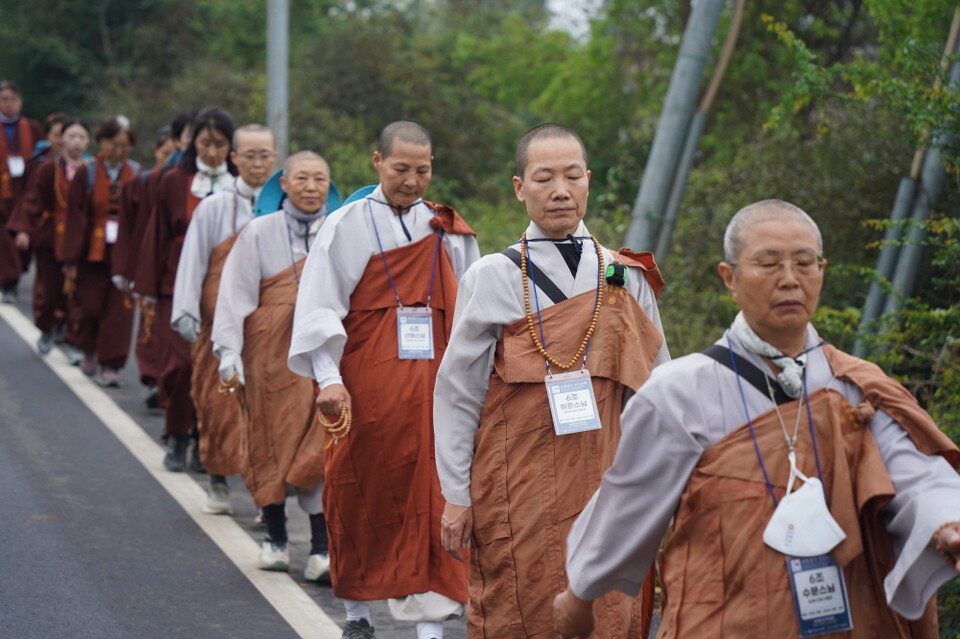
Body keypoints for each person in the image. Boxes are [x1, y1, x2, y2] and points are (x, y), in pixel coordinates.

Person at [554, 199, 960, 639]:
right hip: (728, 620)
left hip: (844, 616)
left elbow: (915, 471)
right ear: (729, 277)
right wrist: (581, 593)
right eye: (768, 264)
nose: (789, 279)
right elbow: (627, 504)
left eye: (804, 263)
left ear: (822, 271)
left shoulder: (856, 387)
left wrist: (945, 522)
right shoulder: (679, 392)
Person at [432, 123, 669, 639]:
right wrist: (456, 493)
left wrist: (670, 484)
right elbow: (458, 394)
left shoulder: (624, 276)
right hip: (517, 483)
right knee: (520, 608)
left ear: (588, 181)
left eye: (571, 176)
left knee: (608, 607)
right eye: (544, 178)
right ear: (520, 187)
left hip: (608, 478)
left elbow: (660, 393)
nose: (559, 191)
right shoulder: (492, 276)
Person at [288, 121, 479, 639]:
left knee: (435, 496)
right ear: (377, 162)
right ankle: (356, 616)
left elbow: (471, 314)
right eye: (400, 169)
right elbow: (319, 306)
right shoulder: (346, 224)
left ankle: (430, 630)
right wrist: (327, 378)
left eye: (422, 170)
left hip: (436, 389)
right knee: (357, 489)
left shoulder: (448, 229)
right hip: (363, 384)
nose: (412, 181)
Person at [213, 150, 332, 580]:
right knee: (267, 443)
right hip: (266, 358)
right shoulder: (259, 232)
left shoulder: (337, 232)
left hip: (321, 356)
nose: (310, 186)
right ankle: (276, 539)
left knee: (320, 446)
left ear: (329, 185)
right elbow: (234, 297)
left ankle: (321, 548)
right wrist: (228, 353)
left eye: (319, 179)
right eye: (302, 178)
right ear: (283, 183)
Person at [171, 123, 276, 514]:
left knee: (267, 410)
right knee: (215, 402)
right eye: (249, 155)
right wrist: (185, 310)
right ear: (234, 159)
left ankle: (269, 498)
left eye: (265, 155)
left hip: (269, 325)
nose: (258, 163)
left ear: (275, 157)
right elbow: (194, 261)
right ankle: (217, 480)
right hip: (218, 321)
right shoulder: (215, 205)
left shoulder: (287, 205)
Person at [135, 107, 236, 472]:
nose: (212, 151)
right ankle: (177, 432)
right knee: (179, 364)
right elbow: (156, 234)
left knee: (216, 368)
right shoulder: (174, 181)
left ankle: (201, 439)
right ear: (194, 144)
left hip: (225, 288)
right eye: (205, 143)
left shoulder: (238, 186)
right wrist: (146, 288)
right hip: (175, 282)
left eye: (220, 144)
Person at [60, 115, 141, 386]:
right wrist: (70, 257)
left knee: (120, 308)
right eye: (113, 144)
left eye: (125, 146)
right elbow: (75, 214)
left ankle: (111, 364)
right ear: (102, 142)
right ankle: (88, 348)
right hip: (91, 249)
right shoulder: (88, 172)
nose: (119, 151)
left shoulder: (137, 173)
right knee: (90, 303)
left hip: (124, 251)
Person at [116, 114, 190, 408]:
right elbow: (141, 227)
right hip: (158, 262)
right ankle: (154, 378)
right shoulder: (152, 181)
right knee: (155, 327)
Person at [7, 118, 91, 354]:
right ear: (61, 139)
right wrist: (24, 228)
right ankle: (46, 327)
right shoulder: (49, 168)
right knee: (50, 289)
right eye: (71, 136)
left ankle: (72, 338)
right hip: (51, 236)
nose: (76, 142)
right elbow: (32, 199)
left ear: (89, 141)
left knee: (76, 293)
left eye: (82, 137)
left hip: (80, 241)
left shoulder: (92, 170)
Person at [0, 81, 43, 303]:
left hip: (25, 190)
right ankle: (8, 283)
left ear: (21, 102)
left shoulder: (33, 128)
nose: (9, 104)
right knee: (4, 241)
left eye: (13, 99)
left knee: (22, 241)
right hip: (1, 192)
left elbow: (40, 158)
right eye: (4, 99)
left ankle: (12, 279)